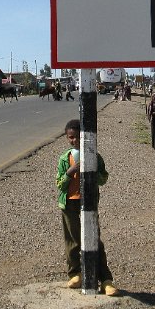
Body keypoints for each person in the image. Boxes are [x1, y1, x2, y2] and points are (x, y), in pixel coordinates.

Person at [55, 119, 118, 296]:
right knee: (73, 241)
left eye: (77, 137)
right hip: (69, 202)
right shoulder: (64, 158)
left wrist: (93, 170)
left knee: (94, 239)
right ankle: (75, 273)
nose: (74, 140)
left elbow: (103, 178)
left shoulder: (94, 156)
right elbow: (60, 184)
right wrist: (71, 171)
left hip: (89, 202)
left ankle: (105, 279)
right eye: (71, 137)